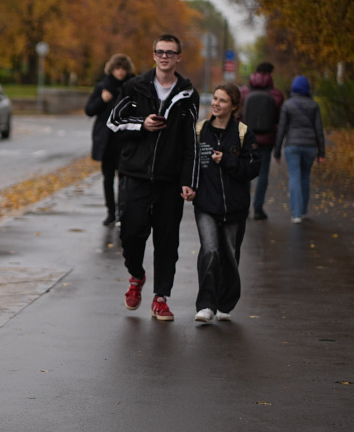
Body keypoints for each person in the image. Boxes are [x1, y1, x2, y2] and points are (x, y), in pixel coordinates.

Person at [107, 34, 200, 321]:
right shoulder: (134, 87)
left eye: (170, 53)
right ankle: (136, 276)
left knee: (166, 240)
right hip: (135, 174)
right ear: (153, 55)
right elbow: (114, 122)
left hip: (169, 180)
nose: (164, 57)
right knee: (131, 233)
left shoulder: (187, 94)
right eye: (160, 52)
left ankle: (161, 297)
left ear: (178, 57)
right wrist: (142, 125)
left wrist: (189, 180)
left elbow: (190, 143)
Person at [193, 84, 260, 323]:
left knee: (230, 254)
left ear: (233, 106)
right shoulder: (200, 130)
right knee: (210, 251)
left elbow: (253, 168)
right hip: (205, 205)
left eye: (222, 100)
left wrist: (229, 161)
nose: (216, 103)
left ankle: (225, 303)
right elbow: (188, 162)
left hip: (235, 207)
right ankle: (205, 305)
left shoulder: (243, 133)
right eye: (215, 98)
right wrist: (188, 186)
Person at [85, 54, 135, 225]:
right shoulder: (103, 87)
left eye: (123, 69)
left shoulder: (132, 87)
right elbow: (89, 110)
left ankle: (123, 212)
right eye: (117, 68)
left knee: (125, 179)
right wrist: (102, 100)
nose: (120, 72)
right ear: (112, 69)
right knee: (107, 178)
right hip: (106, 142)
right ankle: (110, 212)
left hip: (125, 140)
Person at [274, 75, 325, 224]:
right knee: (305, 177)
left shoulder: (287, 105)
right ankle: (303, 211)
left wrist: (277, 151)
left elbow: (281, 129)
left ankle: (296, 214)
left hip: (292, 146)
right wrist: (321, 152)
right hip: (310, 147)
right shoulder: (314, 105)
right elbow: (319, 130)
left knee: (295, 177)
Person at [240, 62, 284, 220]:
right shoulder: (276, 95)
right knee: (263, 172)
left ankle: (244, 207)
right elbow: (280, 119)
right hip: (267, 139)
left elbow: (237, 115)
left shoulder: (244, 92)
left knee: (245, 172)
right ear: (270, 74)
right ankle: (258, 208)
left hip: (246, 138)